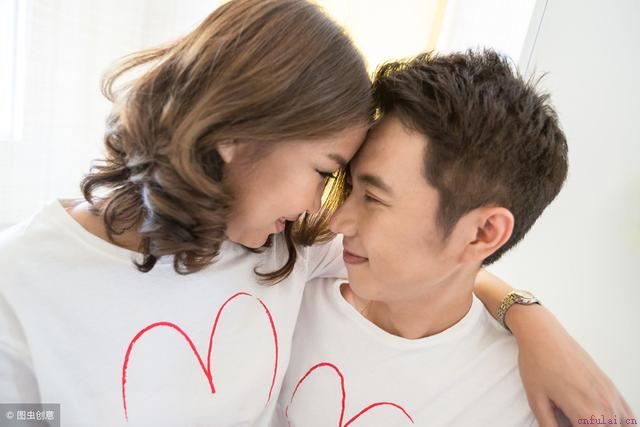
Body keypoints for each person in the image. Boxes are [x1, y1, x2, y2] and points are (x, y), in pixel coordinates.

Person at [0, 1, 629, 426]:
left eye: (359, 189)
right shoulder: (23, 278)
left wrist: (533, 323)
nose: (330, 213)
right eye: (328, 174)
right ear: (236, 134)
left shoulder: (282, 246)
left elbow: (444, 269)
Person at [273, 50, 634, 427]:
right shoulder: (290, 275)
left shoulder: (527, 403)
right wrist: (525, 312)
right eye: (349, 185)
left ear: (482, 234)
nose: (339, 219)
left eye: (374, 198)